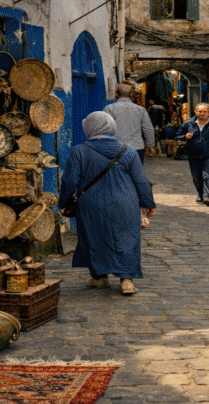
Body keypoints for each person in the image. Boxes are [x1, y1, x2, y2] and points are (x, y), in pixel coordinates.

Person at [60, 111, 156, 295]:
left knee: (94, 237)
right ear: (111, 127)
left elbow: (70, 180)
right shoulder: (128, 150)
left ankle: (99, 278)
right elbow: (141, 180)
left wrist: (64, 201)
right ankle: (127, 280)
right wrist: (148, 203)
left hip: (92, 204)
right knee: (127, 239)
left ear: (89, 128)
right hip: (125, 203)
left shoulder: (79, 151)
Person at [180, 103, 209, 206]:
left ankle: (207, 196)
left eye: (205, 112)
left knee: (208, 175)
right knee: (196, 176)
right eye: (200, 111)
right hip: (194, 154)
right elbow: (178, 135)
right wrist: (185, 136)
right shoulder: (188, 124)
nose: (202, 114)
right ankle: (201, 194)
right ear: (195, 112)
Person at [103, 82, 156, 163]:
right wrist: (150, 146)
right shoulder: (140, 110)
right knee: (135, 174)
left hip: (116, 148)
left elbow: (105, 129)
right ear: (131, 94)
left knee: (117, 174)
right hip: (136, 148)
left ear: (116, 94)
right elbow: (148, 129)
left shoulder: (109, 109)